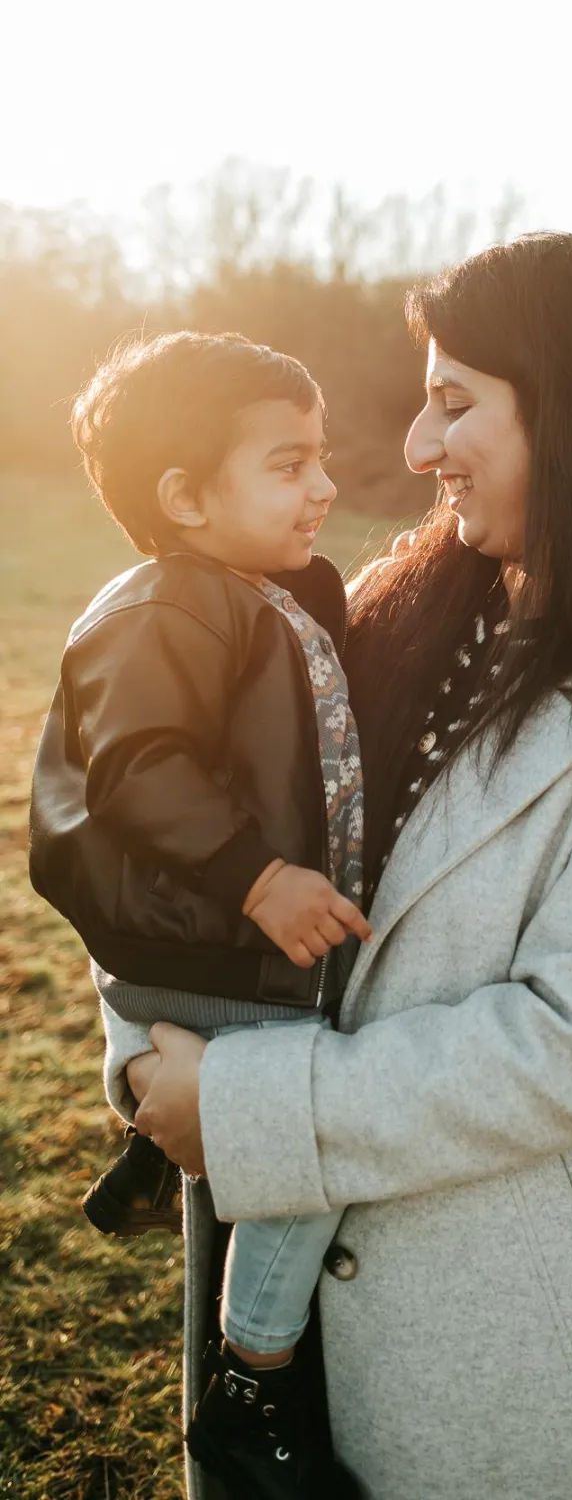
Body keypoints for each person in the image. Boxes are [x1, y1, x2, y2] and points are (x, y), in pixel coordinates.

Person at [115, 232, 572, 1500]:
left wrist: (243, 1106)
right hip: (271, 1278)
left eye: (455, 403)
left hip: (486, 1320)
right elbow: (199, 821)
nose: (422, 451)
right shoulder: (394, 611)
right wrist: (151, 1032)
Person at [29, 331, 372, 1499]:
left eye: (321, 457)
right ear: (185, 496)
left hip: (203, 953)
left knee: (275, 1108)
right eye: (288, 464)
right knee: (303, 1137)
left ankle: (145, 1140)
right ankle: (254, 1371)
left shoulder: (244, 591)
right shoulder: (164, 606)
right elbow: (138, 767)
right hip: (210, 955)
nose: (324, 485)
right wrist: (256, 877)